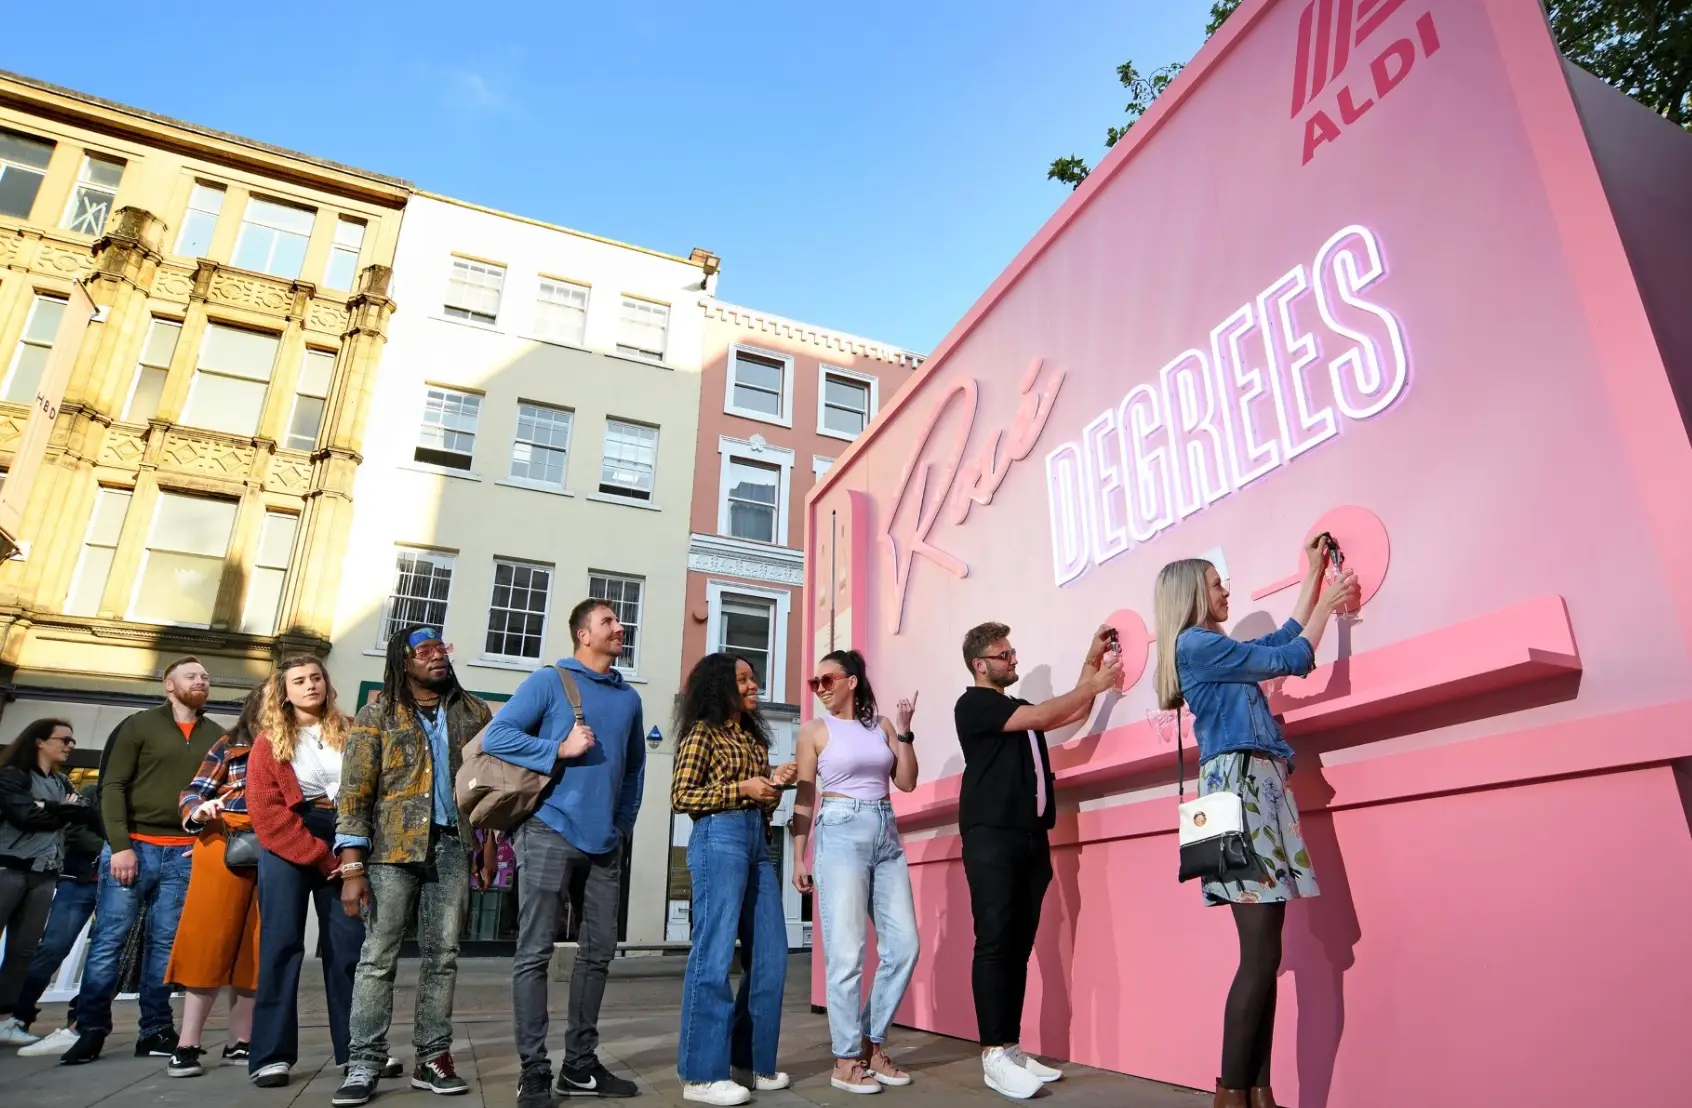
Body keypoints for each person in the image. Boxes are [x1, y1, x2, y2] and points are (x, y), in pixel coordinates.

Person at [1152, 540, 1357, 1108]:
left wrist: (1314, 577)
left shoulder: (1215, 648)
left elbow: (1282, 640)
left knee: (1265, 955)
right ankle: (1230, 1094)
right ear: (1193, 594)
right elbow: (1293, 658)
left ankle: (1258, 1092)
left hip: (1257, 788)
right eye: (1216, 584)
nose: (1226, 591)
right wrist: (1330, 603)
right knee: (1259, 955)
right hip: (1241, 792)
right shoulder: (1195, 644)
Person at [481, 597, 647, 1107]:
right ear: (583, 635)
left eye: (618, 621)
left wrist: (622, 826)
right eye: (608, 621)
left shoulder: (629, 699)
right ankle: (534, 1071)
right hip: (548, 830)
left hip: (604, 844)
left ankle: (579, 1066)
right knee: (534, 953)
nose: (619, 627)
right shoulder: (549, 681)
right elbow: (496, 735)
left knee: (598, 954)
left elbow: (634, 770)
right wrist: (557, 749)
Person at [954, 622, 1121, 1100]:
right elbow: (1049, 713)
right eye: (1003, 654)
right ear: (979, 664)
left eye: (1012, 653)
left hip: (1030, 837)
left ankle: (1009, 1047)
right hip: (991, 836)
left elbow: (1069, 712)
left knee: (1019, 945)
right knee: (995, 943)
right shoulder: (974, 704)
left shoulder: (1019, 709)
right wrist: (1093, 682)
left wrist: (1091, 662)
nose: (1013, 660)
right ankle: (992, 1054)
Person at [332, 626, 491, 1106]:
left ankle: (433, 1058)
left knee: (443, 956)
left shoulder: (474, 712)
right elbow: (354, 792)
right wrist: (352, 868)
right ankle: (364, 1061)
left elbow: (488, 783)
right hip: (390, 852)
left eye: (442, 648)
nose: (437, 656)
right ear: (404, 662)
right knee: (378, 957)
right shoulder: (377, 714)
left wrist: (487, 843)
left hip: (453, 846)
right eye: (424, 651)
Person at [60, 656, 225, 1065]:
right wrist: (119, 846)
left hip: (183, 852)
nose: (201, 681)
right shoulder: (139, 725)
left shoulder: (217, 735)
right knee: (109, 941)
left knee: (166, 945)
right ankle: (90, 1028)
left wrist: (202, 840)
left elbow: (216, 794)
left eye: (205, 677)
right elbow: (112, 786)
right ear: (169, 685)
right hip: (133, 847)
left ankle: (155, 1030)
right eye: (191, 676)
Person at [247, 654, 393, 1089]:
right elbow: (267, 813)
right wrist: (326, 859)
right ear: (284, 692)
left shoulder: (352, 729)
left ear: (327, 683)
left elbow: (377, 787)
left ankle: (358, 1050)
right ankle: (271, 1055)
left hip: (348, 834)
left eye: (316, 677)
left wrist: (351, 854)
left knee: (349, 948)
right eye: (299, 681)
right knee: (281, 945)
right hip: (290, 839)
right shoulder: (268, 741)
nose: (310, 685)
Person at [789, 651, 920, 1094]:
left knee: (904, 945)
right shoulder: (814, 731)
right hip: (840, 829)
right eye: (815, 683)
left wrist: (904, 731)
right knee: (847, 952)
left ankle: (870, 1043)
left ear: (852, 681)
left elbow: (906, 782)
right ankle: (845, 1060)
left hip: (886, 830)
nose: (820, 689)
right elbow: (805, 796)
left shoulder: (881, 726)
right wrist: (799, 855)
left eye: (827, 680)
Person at [671, 653, 796, 1107]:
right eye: (742, 679)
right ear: (720, 685)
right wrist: (742, 789)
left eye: (752, 678)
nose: (752, 685)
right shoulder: (701, 733)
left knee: (771, 954)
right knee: (715, 952)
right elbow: (681, 795)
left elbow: (762, 801)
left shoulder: (751, 737)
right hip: (717, 837)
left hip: (756, 841)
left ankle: (751, 1062)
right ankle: (701, 1074)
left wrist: (772, 785)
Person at [162, 687, 264, 1078]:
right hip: (223, 838)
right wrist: (199, 811)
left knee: (258, 944)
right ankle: (187, 1044)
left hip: (277, 844)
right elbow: (194, 791)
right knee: (208, 940)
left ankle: (241, 1040)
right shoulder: (230, 743)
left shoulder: (303, 745)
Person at [0, 719, 97, 1044]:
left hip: (45, 873)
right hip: (9, 867)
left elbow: (82, 813)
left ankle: (7, 1019)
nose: (70, 746)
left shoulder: (61, 782)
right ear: (40, 741)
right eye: (64, 739)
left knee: (23, 950)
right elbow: (24, 815)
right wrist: (59, 810)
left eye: (72, 741)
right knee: (36, 948)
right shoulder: (13, 775)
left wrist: (48, 807)